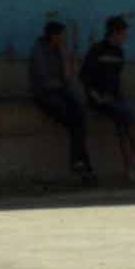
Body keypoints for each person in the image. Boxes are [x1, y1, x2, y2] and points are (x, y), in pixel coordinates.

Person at [80, 15, 135, 183]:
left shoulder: (119, 52)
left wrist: (120, 97)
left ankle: (132, 169)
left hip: (115, 99)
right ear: (113, 33)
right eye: (123, 34)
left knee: (124, 126)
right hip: (99, 100)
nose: (125, 37)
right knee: (128, 120)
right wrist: (95, 96)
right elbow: (84, 76)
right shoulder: (97, 50)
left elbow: (117, 79)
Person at [28, 19, 94, 180]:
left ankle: (80, 163)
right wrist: (62, 84)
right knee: (75, 121)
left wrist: (65, 59)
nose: (65, 40)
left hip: (61, 92)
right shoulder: (40, 52)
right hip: (46, 94)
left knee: (80, 115)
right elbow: (43, 81)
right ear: (53, 36)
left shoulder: (59, 51)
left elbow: (68, 79)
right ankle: (81, 164)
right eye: (62, 36)